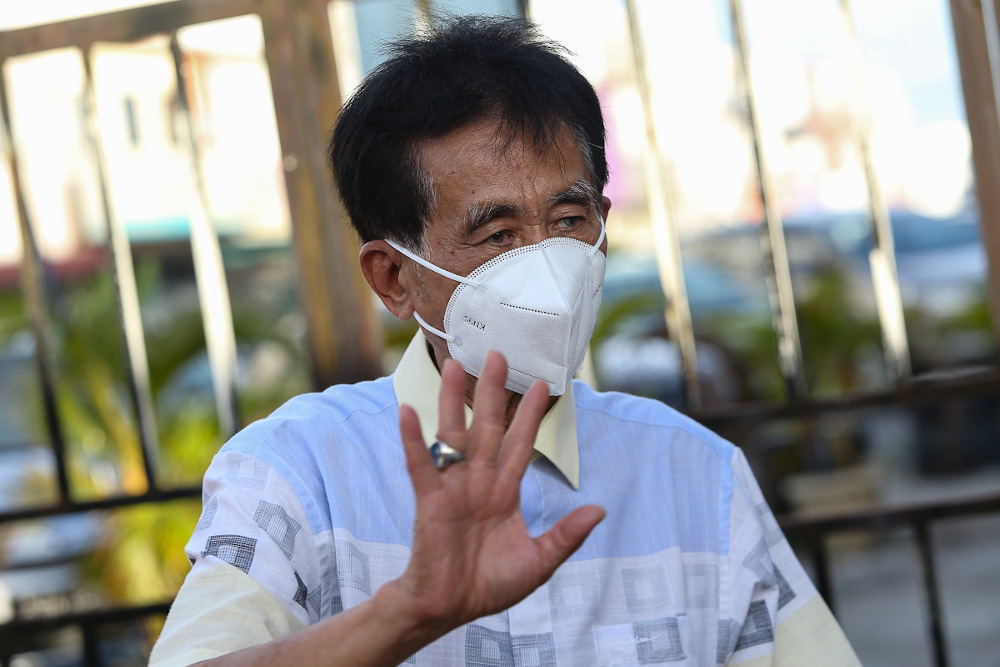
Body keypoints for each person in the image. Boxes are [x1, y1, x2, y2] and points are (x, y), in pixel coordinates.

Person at [149, 15, 860, 667]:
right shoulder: (300, 475)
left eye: (569, 217)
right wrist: (405, 613)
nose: (548, 263)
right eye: (497, 235)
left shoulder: (696, 476)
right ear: (394, 277)